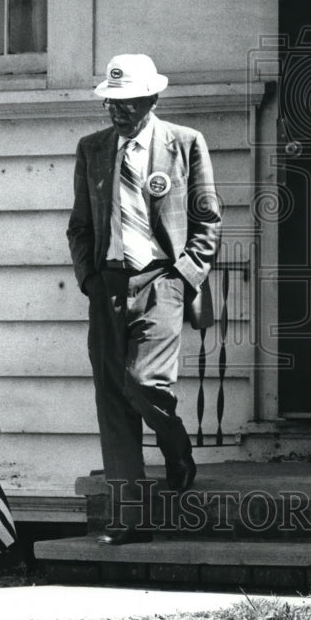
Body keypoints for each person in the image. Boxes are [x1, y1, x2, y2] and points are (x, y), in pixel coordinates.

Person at [67, 54, 222, 544]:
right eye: (112, 101)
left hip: (160, 282)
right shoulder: (92, 149)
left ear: (152, 99)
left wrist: (183, 275)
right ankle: (129, 521)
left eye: (129, 101)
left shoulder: (185, 144)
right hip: (108, 286)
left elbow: (207, 221)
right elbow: (80, 226)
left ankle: (178, 455)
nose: (119, 110)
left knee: (144, 383)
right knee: (113, 401)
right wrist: (90, 278)